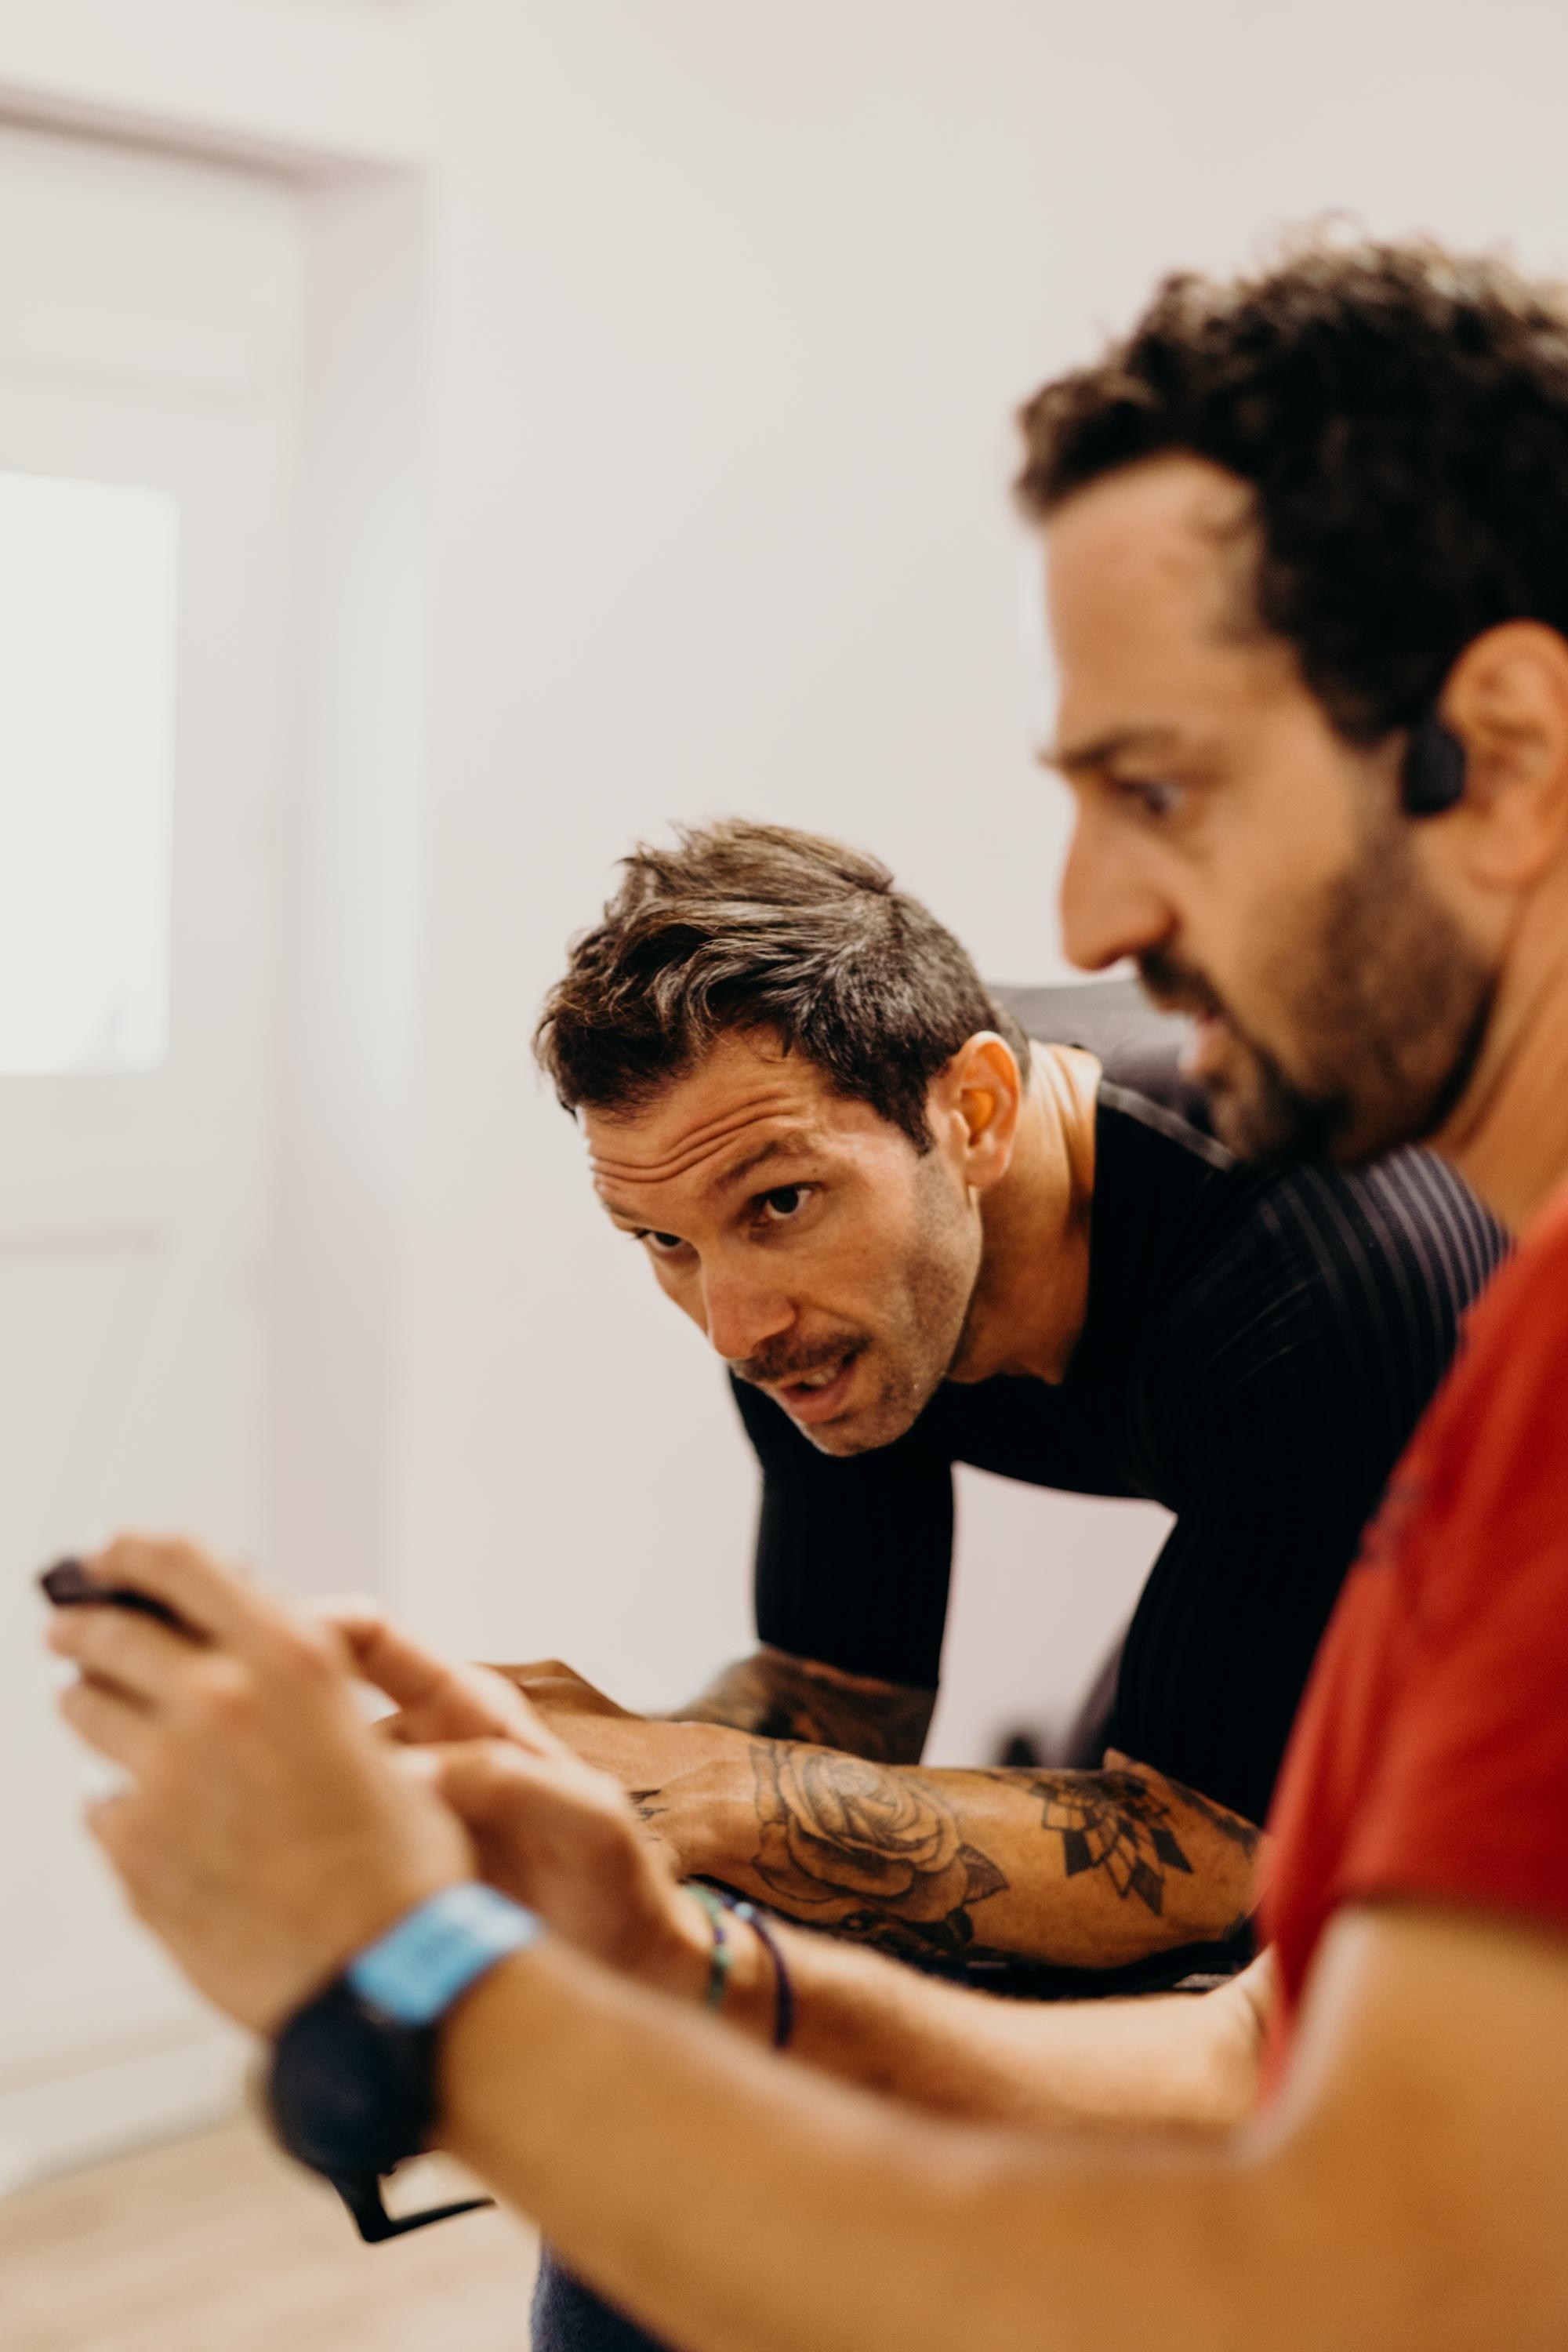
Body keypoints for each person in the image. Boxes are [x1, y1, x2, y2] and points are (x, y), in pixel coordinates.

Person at [49, 234, 1568, 2349]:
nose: (1091, 914)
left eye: (1164, 789)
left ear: (1497, 755)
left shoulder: (1350, 1270)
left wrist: (441, 1983)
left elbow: (1301, 2137)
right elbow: (1241, 2042)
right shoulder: (816, 1284)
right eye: (662, 1245)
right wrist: (623, 1862)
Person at [506, 822, 1497, 1997]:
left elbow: (1203, 1857)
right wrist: (564, 1780)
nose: (734, 1328)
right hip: (1314, 1505)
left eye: (779, 1204)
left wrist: (711, 1793)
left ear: (973, 1115)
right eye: (664, 1242)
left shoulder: (1304, 1261)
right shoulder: (811, 1244)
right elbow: (842, 1699)